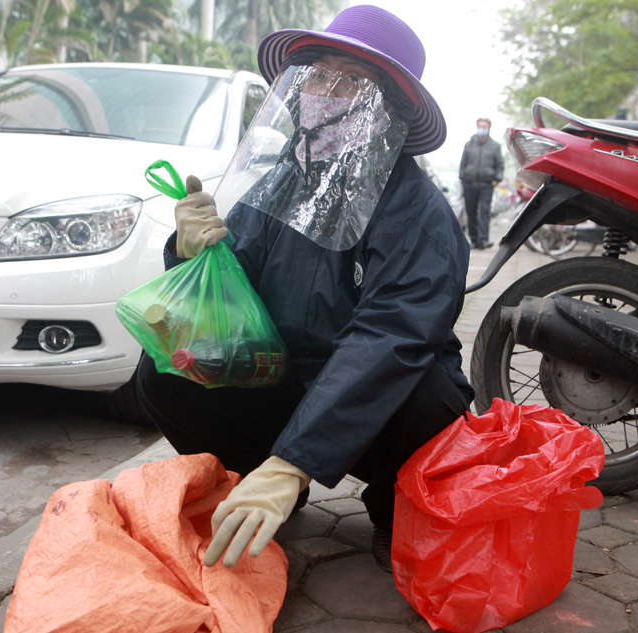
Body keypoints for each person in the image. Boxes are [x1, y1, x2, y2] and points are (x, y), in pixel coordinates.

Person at [135, 4, 473, 574]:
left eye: (354, 80)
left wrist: (294, 460)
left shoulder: (417, 209)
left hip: (377, 392)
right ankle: (259, 489)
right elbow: (230, 300)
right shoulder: (279, 184)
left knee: (427, 398)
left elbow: (392, 335)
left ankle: (396, 508)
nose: (327, 90)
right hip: (283, 374)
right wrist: (191, 253)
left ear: (389, 105)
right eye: (318, 74)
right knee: (166, 370)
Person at [459, 117, 504, 249]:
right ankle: (474, 240)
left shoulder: (495, 146)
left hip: (486, 184)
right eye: (480, 126)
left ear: (489, 128)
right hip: (469, 184)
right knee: (471, 212)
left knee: (484, 213)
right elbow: (463, 163)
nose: (482, 128)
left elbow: (500, 165)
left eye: (484, 126)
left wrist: (497, 178)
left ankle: (483, 240)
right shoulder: (469, 144)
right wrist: (462, 177)